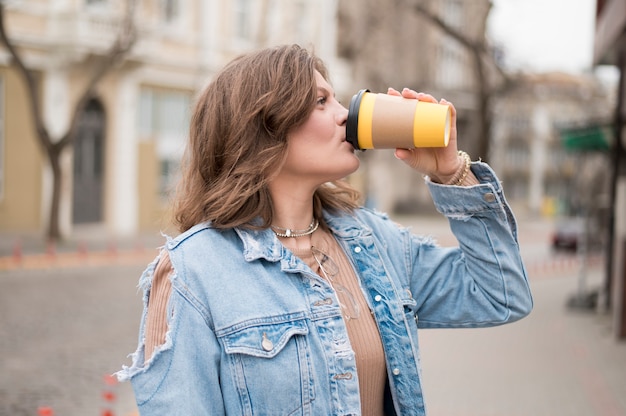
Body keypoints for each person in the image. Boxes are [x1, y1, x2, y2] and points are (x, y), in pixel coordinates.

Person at [117, 44, 533, 416]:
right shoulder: (194, 272)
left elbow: (501, 295)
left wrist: (451, 174)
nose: (344, 114)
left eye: (336, 98)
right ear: (264, 127)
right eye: (321, 101)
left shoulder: (374, 242)